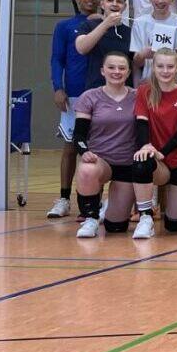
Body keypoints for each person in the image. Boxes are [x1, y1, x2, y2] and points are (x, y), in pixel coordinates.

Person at [131, 48, 177, 240]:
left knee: (174, 225)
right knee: (141, 161)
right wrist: (146, 146)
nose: (165, 71)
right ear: (153, 67)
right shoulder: (145, 91)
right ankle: (146, 218)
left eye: (170, 66)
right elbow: (141, 124)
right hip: (158, 158)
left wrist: (162, 151)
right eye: (160, 66)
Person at [47, 0, 103, 219]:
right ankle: (63, 198)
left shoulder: (107, 24)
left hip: (102, 95)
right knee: (70, 147)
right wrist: (58, 87)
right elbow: (56, 59)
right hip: (74, 95)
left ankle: (95, 201)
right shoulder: (65, 26)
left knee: (101, 149)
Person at [73, 52, 140, 239]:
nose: (116, 71)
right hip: (100, 161)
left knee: (116, 228)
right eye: (111, 67)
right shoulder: (90, 97)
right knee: (87, 169)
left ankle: (110, 209)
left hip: (127, 165)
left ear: (128, 72)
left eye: (121, 68)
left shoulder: (138, 96)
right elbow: (78, 134)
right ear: (102, 71)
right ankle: (91, 218)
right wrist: (84, 151)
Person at [129, 0, 177, 81]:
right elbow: (136, 64)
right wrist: (142, 55)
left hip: (175, 82)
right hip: (148, 81)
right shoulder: (139, 22)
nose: (160, 1)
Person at [75, 0, 132, 89]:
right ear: (102, 4)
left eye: (119, 1)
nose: (114, 4)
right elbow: (81, 48)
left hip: (124, 90)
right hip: (96, 89)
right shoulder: (89, 25)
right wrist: (106, 23)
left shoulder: (130, 32)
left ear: (125, 6)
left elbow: (135, 64)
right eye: (110, 0)